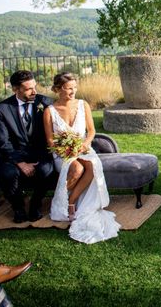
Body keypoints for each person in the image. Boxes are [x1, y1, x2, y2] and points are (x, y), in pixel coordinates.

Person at [43, 72, 120, 243]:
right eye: (68, 88)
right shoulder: (50, 111)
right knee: (77, 168)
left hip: (84, 148)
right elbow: (49, 140)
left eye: (75, 88)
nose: (73, 92)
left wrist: (85, 144)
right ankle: (66, 203)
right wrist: (66, 150)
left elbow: (91, 131)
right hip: (62, 153)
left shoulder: (82, 105)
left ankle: (71, 201)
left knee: (92, 166)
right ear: (57, 89)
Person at [0, 70, 56, 223]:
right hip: (15, 155)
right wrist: (20, 163)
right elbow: (3, 141)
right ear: (16, 89)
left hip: (41, 154)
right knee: (7, 173)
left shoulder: (46, 102)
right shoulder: (2, 109)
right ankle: (18, 208)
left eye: (34, 86)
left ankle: (35, 204)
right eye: (28, 89)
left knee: (46, 170)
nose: (34, 91)